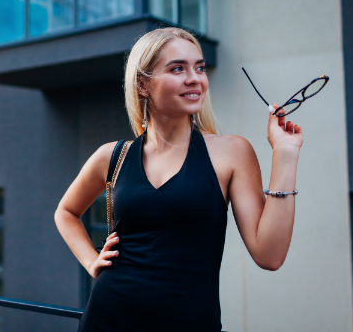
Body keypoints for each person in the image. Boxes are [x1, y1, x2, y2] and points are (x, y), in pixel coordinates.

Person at [53, 27, 302, 331]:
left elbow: (270, 255)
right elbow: (65, 212)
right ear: (143, 85)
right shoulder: (112, 156)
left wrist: (285, 154)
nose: (195, 78)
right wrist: (92, 261)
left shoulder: (231, 152)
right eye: (177, 68)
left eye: (199, 67)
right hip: (107, 317)